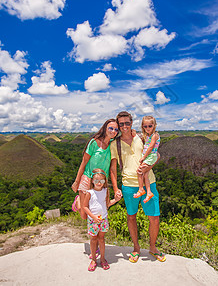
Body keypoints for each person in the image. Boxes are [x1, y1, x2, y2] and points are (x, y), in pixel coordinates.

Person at [109, 111, 166, 263]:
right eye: (121, 124)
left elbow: (157, 155)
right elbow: (113, 169)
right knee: (131, 216)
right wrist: (115, 189)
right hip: (128, 184)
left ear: (132, 123)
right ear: (118, 125)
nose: (125, 126)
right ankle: (136, 248)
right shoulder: (115, 144)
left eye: (127, 123)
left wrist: (148, 167)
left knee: (154, 218)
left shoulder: (141, 138)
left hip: (149, 183)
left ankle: (153, 248)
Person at [71, 119, 121, 220]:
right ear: (105, 128)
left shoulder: (113, 145)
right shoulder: (94, 142)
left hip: (101, 181)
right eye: (110, 128)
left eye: (116, 129)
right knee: (84, 216)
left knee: (101, 207)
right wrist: (76, 182)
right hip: (88, 177)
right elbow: (83, 163)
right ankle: (78, 202)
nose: (113, 131)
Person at [82, 168, 121, 271]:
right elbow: (85, 207)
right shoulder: (89, 193)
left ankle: (103, 258)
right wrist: (93, 217)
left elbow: (107, 204)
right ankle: (94, 259)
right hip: (92, 220)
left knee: (102, 239)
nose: (99, 183)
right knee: (93, 239)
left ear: (105, 181)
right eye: (96, 180)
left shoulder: (106, 191)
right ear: (92, 181)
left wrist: (116, 200)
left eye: (102, 181)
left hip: (103, 219)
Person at [133, 116, 160, 204]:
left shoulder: (155, 135)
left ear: (154, 126)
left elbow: (151, 146)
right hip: (150, 156)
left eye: (150, 126)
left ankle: (141, 189)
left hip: (150, 156)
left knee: (139, 171)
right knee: (145, 175)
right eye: (145, 126)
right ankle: (149, 192)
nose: (147, 128)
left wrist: (144, 157)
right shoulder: (148, 135)